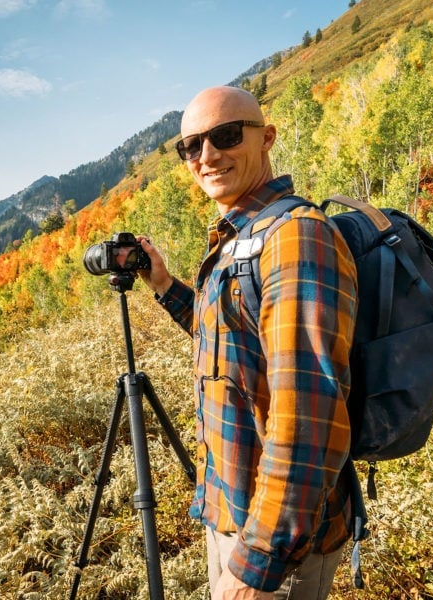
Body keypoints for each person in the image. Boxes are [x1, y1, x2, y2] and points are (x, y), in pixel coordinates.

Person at [136, 86, 358, 600]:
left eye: (226, 135)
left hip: (277, 542)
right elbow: (231, 343)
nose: (207, 155)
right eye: (191, 146)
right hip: (235, 515)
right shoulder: (242, 236)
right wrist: (165, 286)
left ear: (267, 138)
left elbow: (307, 416)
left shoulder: (295, 237)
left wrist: (258, 564)